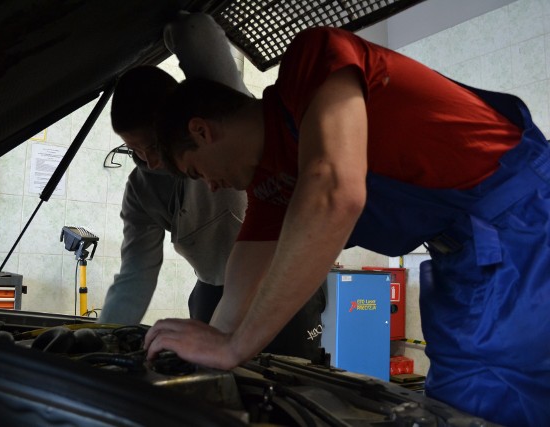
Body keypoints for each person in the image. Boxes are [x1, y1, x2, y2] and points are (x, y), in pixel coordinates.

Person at [145, 26, 550, 427]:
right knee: (457, 401)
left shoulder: (313, 59)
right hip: (464, 254)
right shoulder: (274, 183)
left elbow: (335, 191)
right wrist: (208, 348)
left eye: (198, 172)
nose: (212, 186)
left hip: (523, 221)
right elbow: (241, 278)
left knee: (490, 403)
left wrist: (234, 347)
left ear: (202, 130)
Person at [99, 12, 325, 361]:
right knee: (206, 386)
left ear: (195, 128)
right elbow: (136, 273)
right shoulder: (142, 192)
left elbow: (197, 32)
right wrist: (103, 341)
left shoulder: (225, 137)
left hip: (282, 277)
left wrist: (170, 16)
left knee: (286, 381)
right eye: (135, 152)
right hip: (216, 287)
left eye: (155, 146)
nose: (151, 162)